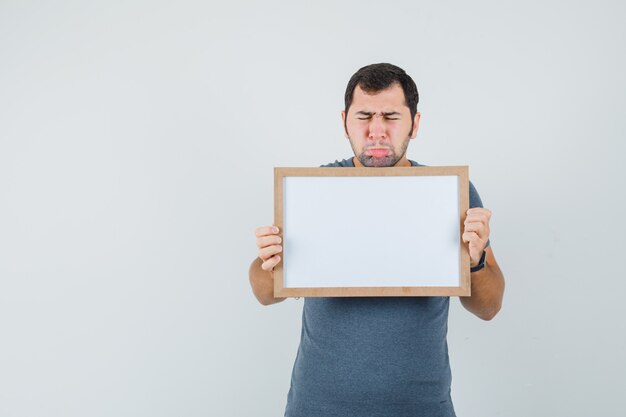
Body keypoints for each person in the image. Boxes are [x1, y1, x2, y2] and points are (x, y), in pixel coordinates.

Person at [249, 63, 505, 417]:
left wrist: (475, 261)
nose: (377, 130)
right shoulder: (314, 190)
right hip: (318, 407)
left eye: (391, 116)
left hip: (422, 408)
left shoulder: (450, 193)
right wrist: (271, 259)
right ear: (344, 122)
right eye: (365, 116)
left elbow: (489, 308)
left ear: (415, 124)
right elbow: (264, 293)